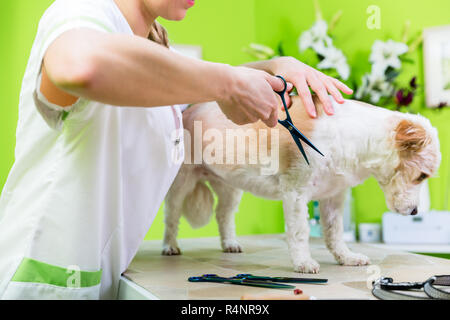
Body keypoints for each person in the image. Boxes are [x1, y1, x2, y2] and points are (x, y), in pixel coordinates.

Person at [0, 0, 353, 299]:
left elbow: (186, 96)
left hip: (90, 279)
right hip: (38, 279)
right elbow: (80, 65)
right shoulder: (81, 10)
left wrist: (273, 68)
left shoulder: (149, 47)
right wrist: (228, 82)